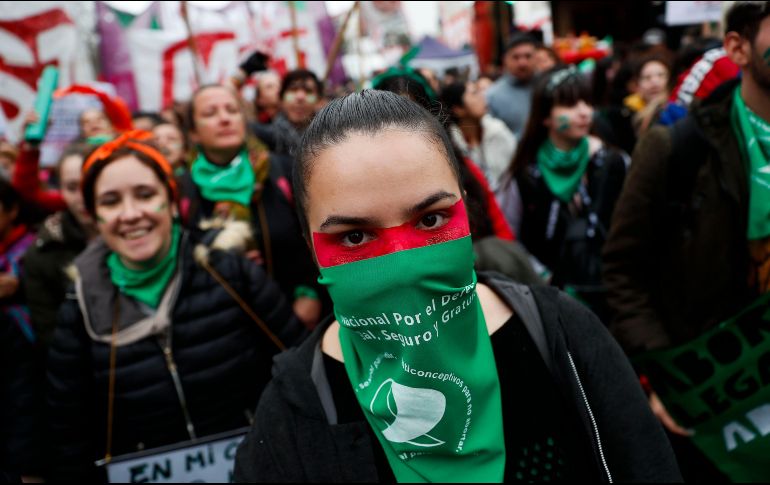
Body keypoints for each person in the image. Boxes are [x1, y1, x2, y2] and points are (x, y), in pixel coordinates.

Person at [233, 89, 681, 482]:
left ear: (465, 210)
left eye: (431, 220)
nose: (403, 266)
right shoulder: (291, 414)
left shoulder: (563, 336)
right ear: (310, 246)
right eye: (354, 237)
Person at [46, 131, 305, 481]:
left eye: (145, 194)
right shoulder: (78, 312)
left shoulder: (230, 274)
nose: (130, 214)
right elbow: (69, 436)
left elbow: (299, 374)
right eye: (110, 201)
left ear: (170, 201)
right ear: (95, 216)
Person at [602, 2, 770, 480]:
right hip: (719, 409)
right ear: (737, 47)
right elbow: (623, 270)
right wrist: (666, 378)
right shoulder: (677, 147)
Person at [181, 84, 324, 328]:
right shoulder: (182, 191)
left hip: (298, 315)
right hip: (226, 327)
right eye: (210, 113)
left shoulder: (283, 170)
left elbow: (318, 233)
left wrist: (313, 292)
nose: (224, 118)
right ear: (193, 132)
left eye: (232, 110)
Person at [508, 67, 628, 323]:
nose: (585, 111)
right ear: (545, 117)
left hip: (610, 292)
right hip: (554, 298)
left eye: (587, 101)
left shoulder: (612, 161)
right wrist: (541, 275)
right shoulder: (526, 173)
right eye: (570, 104)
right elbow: (511, 233)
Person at [22, 143, 97, 348]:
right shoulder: (44, 252)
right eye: (72, 187)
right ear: (60, 190)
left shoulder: (135, 234)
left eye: (90, 183)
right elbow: (50, 333)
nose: (82, 197)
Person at [441, 80, 518, 193]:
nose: (482, 96)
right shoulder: (452, 147)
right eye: (474, 93)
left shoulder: (497, 130)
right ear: (458, 109)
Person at [486, 33, 538, 138]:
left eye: (528, 56)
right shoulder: (493, 96)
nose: (522, 63)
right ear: (505, 60)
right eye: (516, 57)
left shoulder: (548, 86)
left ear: (536, 57)